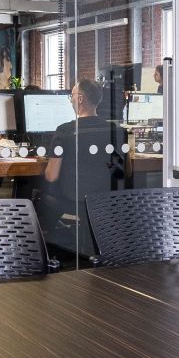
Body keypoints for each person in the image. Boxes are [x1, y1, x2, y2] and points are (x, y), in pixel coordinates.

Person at [38, 77, 121, 251]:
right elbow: (123, 171)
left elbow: (51, 176)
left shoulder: (65, 130)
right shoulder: (114, 130)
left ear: (81, 99)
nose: (71, 100)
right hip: (105, 197)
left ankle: (44, 244)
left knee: (35, 191)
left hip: (74, 198)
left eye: (72, 95)